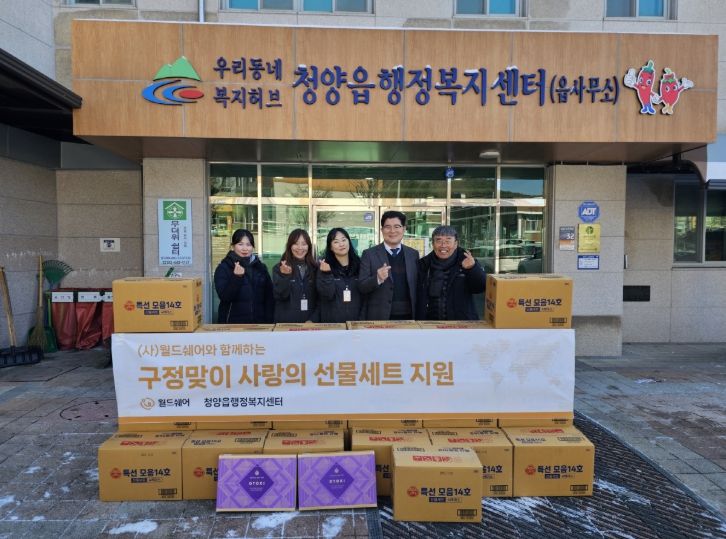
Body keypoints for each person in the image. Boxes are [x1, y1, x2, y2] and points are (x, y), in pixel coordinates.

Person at [415, 225, 486, 321]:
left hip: (461, 323)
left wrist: (472, 268)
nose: (443, 245)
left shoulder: (466, 261)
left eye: (448, 241)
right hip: (429, 323)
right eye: (438, 241)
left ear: (456, 244)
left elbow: (480, 287)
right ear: (433, 244)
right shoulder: (424, 264)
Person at [214, 228, 273, 324]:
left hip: (258, 325)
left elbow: (269, 298)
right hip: (232, 325)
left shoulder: (261, 267)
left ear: (252, 247)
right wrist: (236, 277)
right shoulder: (224, 268)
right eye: (240, 244)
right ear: (233, 246)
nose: (245, 248)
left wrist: (268, 322)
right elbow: (224, 297)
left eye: (248, 245)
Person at [317, 228, 363, 323]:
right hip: (333, 325)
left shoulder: (361, 265)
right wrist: (326, 274)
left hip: (357, 324)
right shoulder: (325, 267)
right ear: (330, 247)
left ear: (349, 242)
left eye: (343, 240)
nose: (341, 244)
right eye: (336, 242)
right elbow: (327, 295)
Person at [272, 229, 319, 323]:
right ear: (290, 246)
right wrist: (284, 276)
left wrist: (313, 320)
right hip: (286, 324)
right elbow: (280, 296)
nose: (300, 248)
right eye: (296, 244)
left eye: (304, 244)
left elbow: (321, 300)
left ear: (309, 246)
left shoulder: (315, 268)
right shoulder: (279, 268)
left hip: (310, 324)